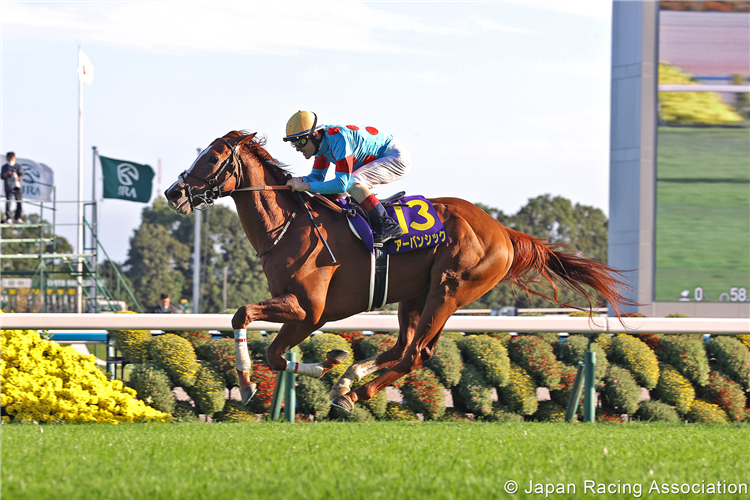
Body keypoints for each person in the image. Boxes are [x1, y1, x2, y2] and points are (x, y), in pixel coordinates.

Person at [283, 111, 412, 244]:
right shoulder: (321, 147)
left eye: (301, 141)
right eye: (294, 143)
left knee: (351, 182)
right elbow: (316, 178)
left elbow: (341, 184)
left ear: (315, 134)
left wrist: (305, 186)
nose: (298, 148)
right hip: (379, 157)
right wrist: (300, 181)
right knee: (338, 193)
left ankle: (388, 224)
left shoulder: (338, 138)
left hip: (396, 157)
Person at [1, 152, 23, 224]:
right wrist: (6, 174)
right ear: (7, 158)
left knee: (19, 202)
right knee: (8, 202)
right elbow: (1, 176)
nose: (11, 159)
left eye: (12, 158)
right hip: (8, 187)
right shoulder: (5, 167)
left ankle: (17, 218)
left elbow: (22, 175)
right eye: (9, 158)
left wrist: (17, 178)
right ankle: (8, 218)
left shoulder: (18, 166)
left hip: (17, 187)